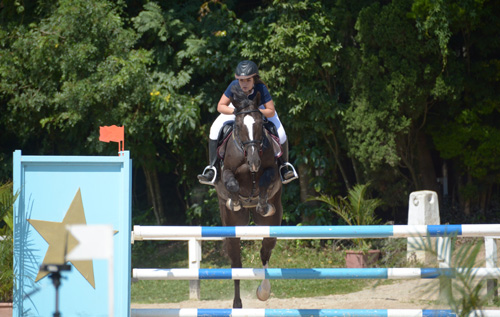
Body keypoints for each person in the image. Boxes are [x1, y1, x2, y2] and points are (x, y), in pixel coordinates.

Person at [198, 60, 298, 185]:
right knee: (214, 129)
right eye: (241, 80)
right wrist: (235, 111)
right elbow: (220, 106)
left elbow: (271, 111)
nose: (244, 84)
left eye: (248, 80)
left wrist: (257, 112)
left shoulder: (261, 88)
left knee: (281, 132)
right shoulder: (234, 86)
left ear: (254, 79)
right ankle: (213, 169)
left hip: (259, 111)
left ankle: (284, 168)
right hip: (237, 113)